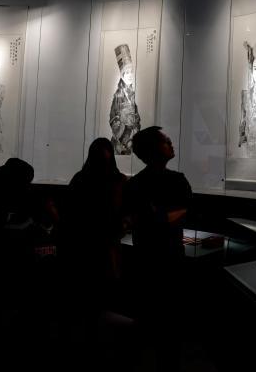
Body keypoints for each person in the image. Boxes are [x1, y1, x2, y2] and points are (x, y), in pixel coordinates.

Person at [123, 126, 191, 370]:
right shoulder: (176, 181)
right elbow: (182, 211)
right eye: (166, 141)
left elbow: (146, 219)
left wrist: (155, 216)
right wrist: (167, 216)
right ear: (154, 149)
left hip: (149, 259)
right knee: (165, 324)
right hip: (165, 260)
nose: (171, 144)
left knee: (151, 322)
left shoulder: (136, 184)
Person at [61, 138, 127, 318]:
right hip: (106, 241)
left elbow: (70, 211)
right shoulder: (118, 180)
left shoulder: (80, 178)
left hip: (84, 242)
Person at [110, 44, 141, 155]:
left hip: (132, 141)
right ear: (122, 75)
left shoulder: (131, 94)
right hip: (121, 144)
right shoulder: (118, 95)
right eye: (127, 72)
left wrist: (135, 133)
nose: (130, 75)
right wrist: (126, 140)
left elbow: (137, 118)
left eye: (131, 71)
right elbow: (113, 120)